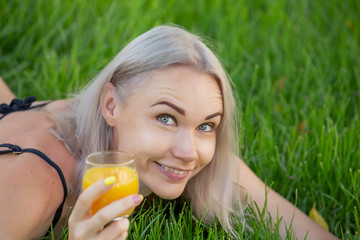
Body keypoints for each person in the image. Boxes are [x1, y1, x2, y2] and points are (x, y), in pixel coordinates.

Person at [0, 25, 338, 240]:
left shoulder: (202, 162)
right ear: (111, 106)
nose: (189, 152)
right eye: (166, 118)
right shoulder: (38, 182)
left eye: (206, 125)